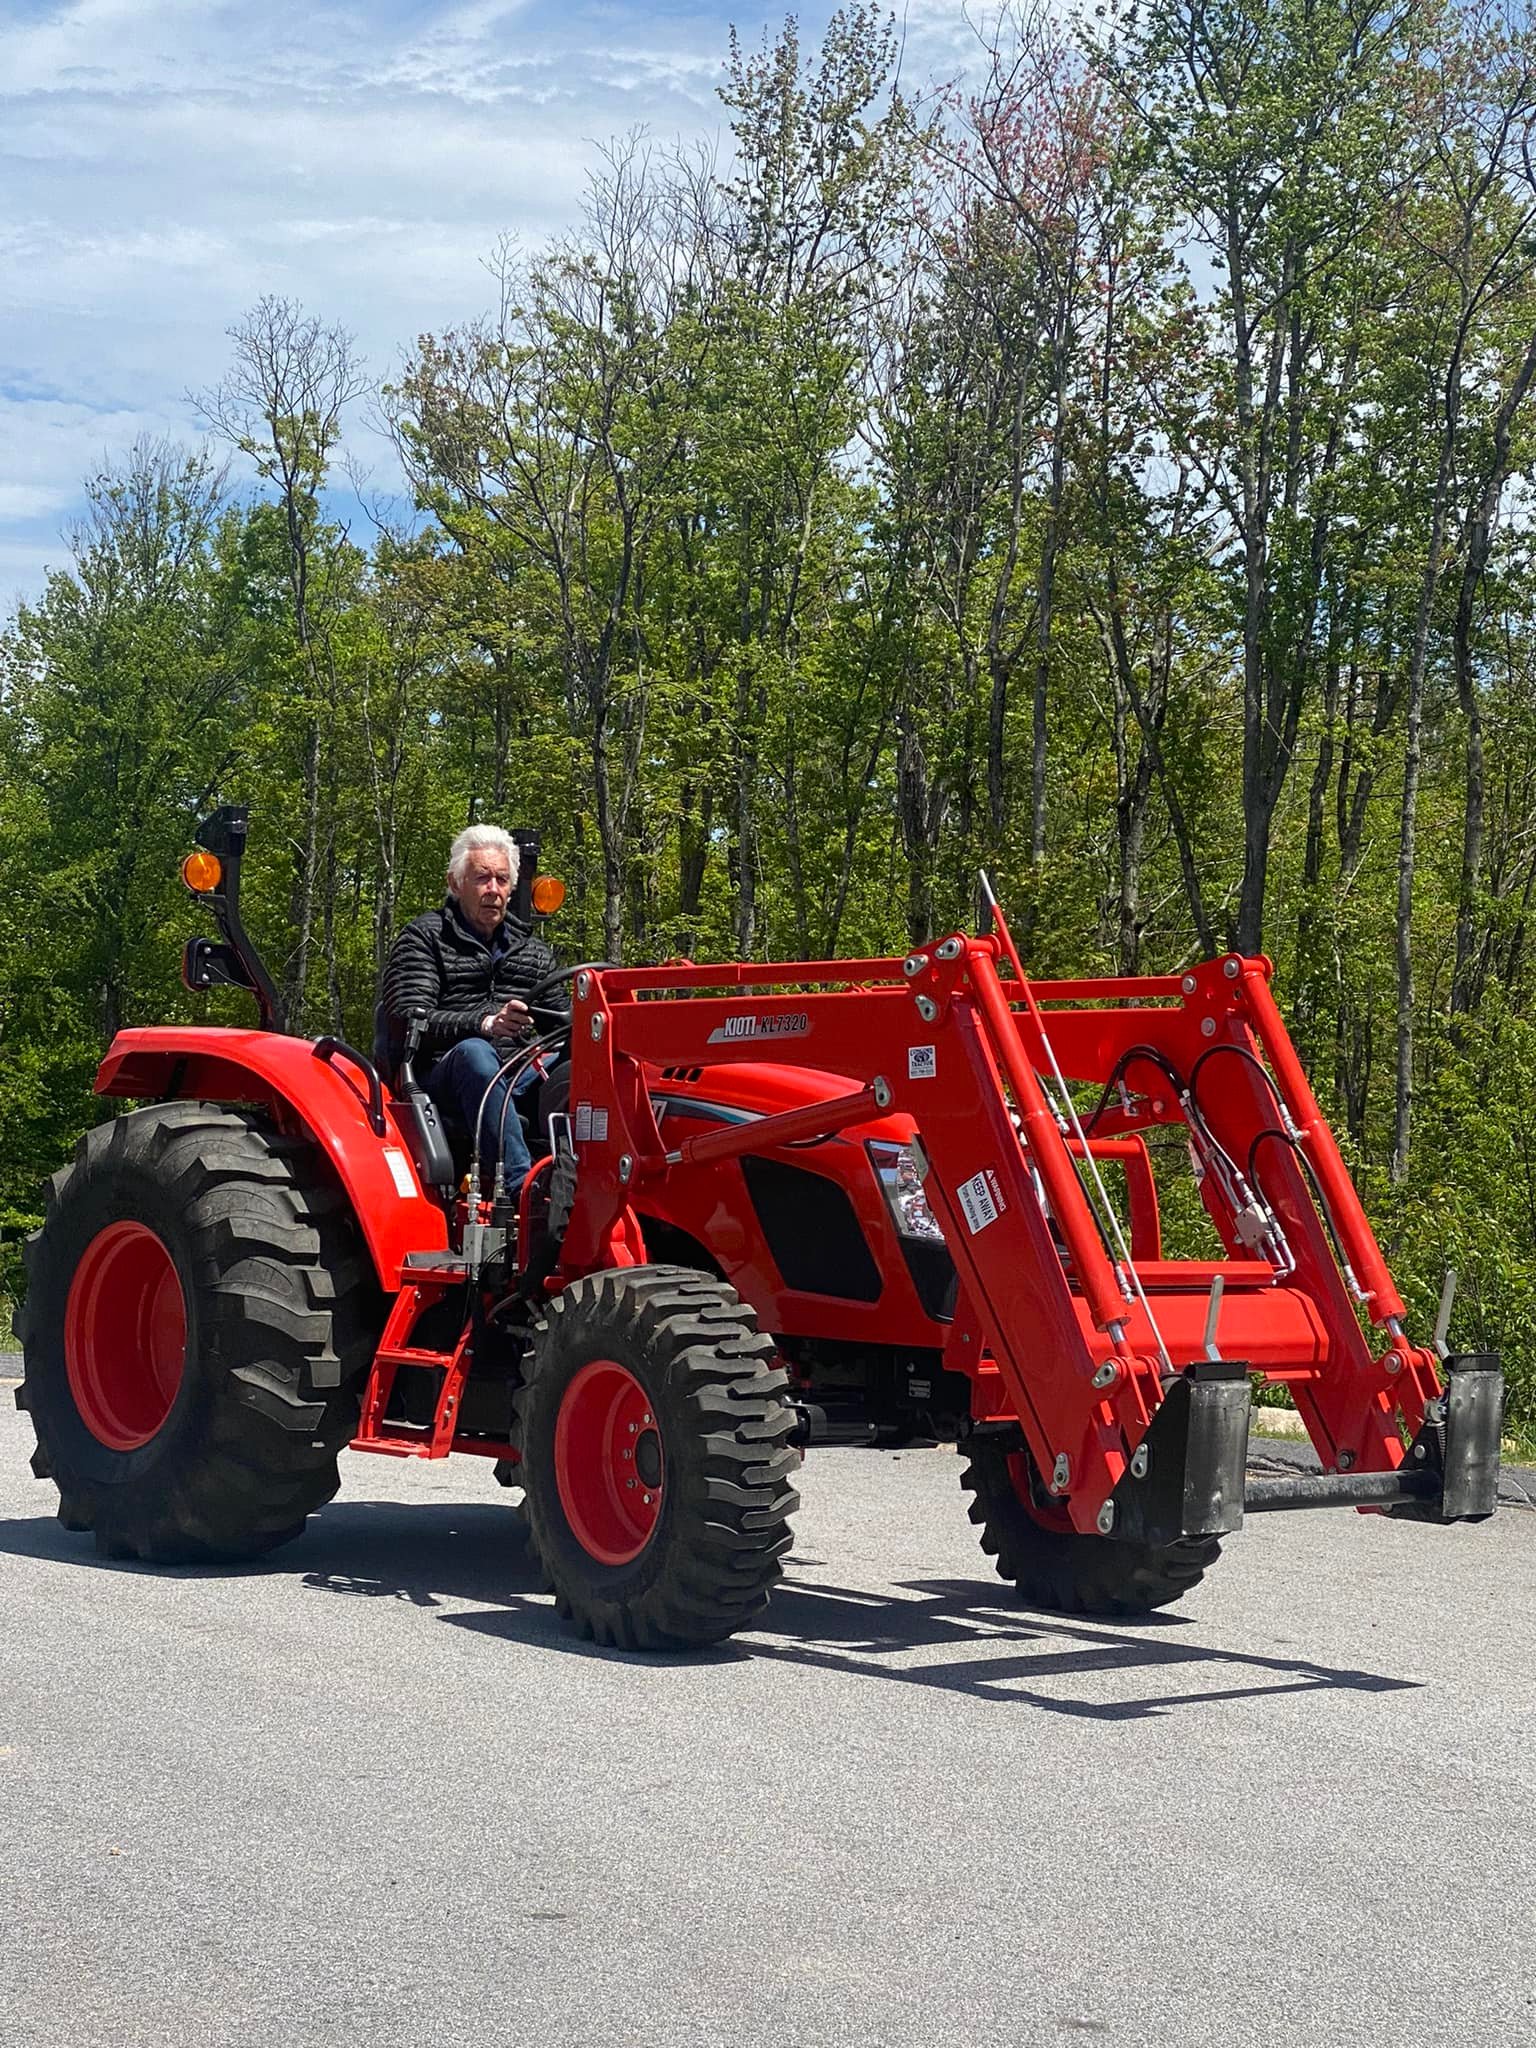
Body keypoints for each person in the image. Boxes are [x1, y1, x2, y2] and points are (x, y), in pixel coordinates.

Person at [380, 824, 565, 1186]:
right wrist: (484, 1023)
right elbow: (408, 1019)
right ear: (455, 883)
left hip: (517, 1074)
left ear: (512, 889)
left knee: (583, 1062)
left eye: (501, 879)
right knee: (475, 1054)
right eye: (482, 878)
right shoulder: (425, 938)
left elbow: (560, 1024)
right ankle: (522, 1187)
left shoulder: (533, 952)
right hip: (440, 1076)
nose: (493, 890)